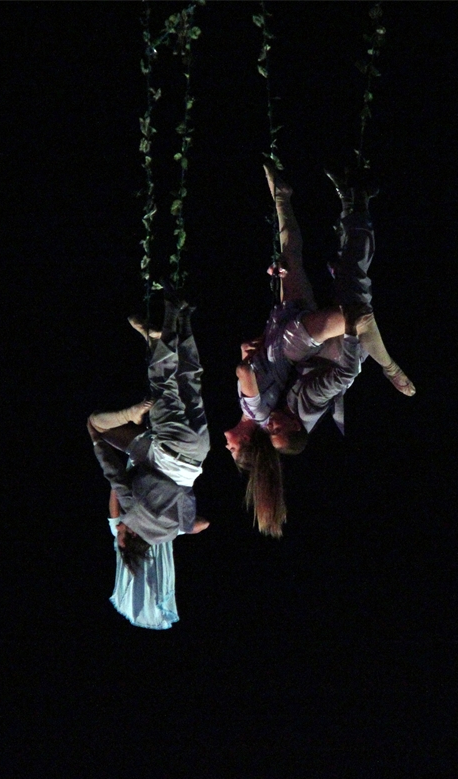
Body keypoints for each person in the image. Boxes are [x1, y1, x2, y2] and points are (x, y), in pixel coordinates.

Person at [225, 161, 415, 537]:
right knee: (356, 302)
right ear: (248, 440)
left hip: (292, 337)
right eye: (232, 450)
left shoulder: (271, 416)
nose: (226, 446)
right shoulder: (274, 411)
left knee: (303, 260)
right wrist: (379, 359)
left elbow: (259, 370)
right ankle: (353, 202)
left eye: (272, 429)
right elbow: (343, 375)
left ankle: (312, 199)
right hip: (314, 346)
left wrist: (248, 351)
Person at [88, 293, 210, 628]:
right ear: (128, 539)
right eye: (120, 537)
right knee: (160, 383)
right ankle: (170, 309)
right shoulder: (132, 515)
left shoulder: (169, 531)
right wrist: (97, 444)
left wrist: (181, 527)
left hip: (197, 453)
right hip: (169, 449)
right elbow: (114, 475)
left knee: (189, 381)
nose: (118, 531)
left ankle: (182, 317)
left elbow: (202, 524)